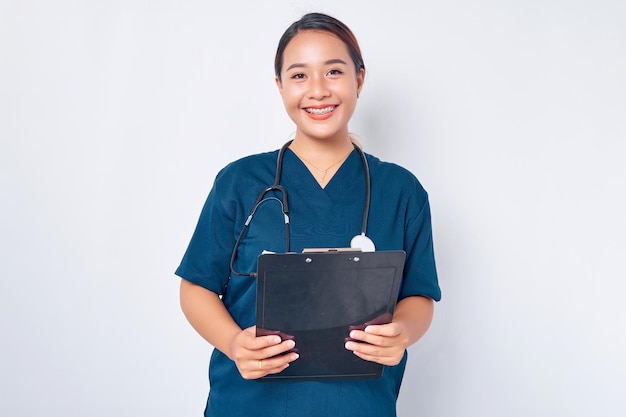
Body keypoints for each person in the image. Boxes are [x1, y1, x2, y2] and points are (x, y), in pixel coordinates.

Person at [175, 12, 441, 417]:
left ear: (359, 79)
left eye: (334, 71)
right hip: (248, 404)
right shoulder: (240, 182)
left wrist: (402, 332)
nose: (317, 91)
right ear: (280, 87)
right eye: (299, 76)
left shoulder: (401, 191)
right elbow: (196, 287)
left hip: (358, 405)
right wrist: (233, 343)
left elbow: (419, 295)